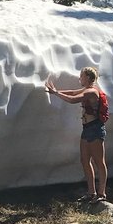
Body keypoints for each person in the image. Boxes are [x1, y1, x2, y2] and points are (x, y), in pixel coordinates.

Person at [45, 66, 108, 203]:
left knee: (99, 162)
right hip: (87, 129)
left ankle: (101, 193)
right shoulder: (87, 89)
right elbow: (73, 92)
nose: (80, 78)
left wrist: (56, 93)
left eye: (82, 76)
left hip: (95, 129)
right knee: (84, 160)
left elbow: (74, 99)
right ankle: (91, 192)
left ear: (89, 78)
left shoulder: (91, 92)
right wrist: (55, 91)